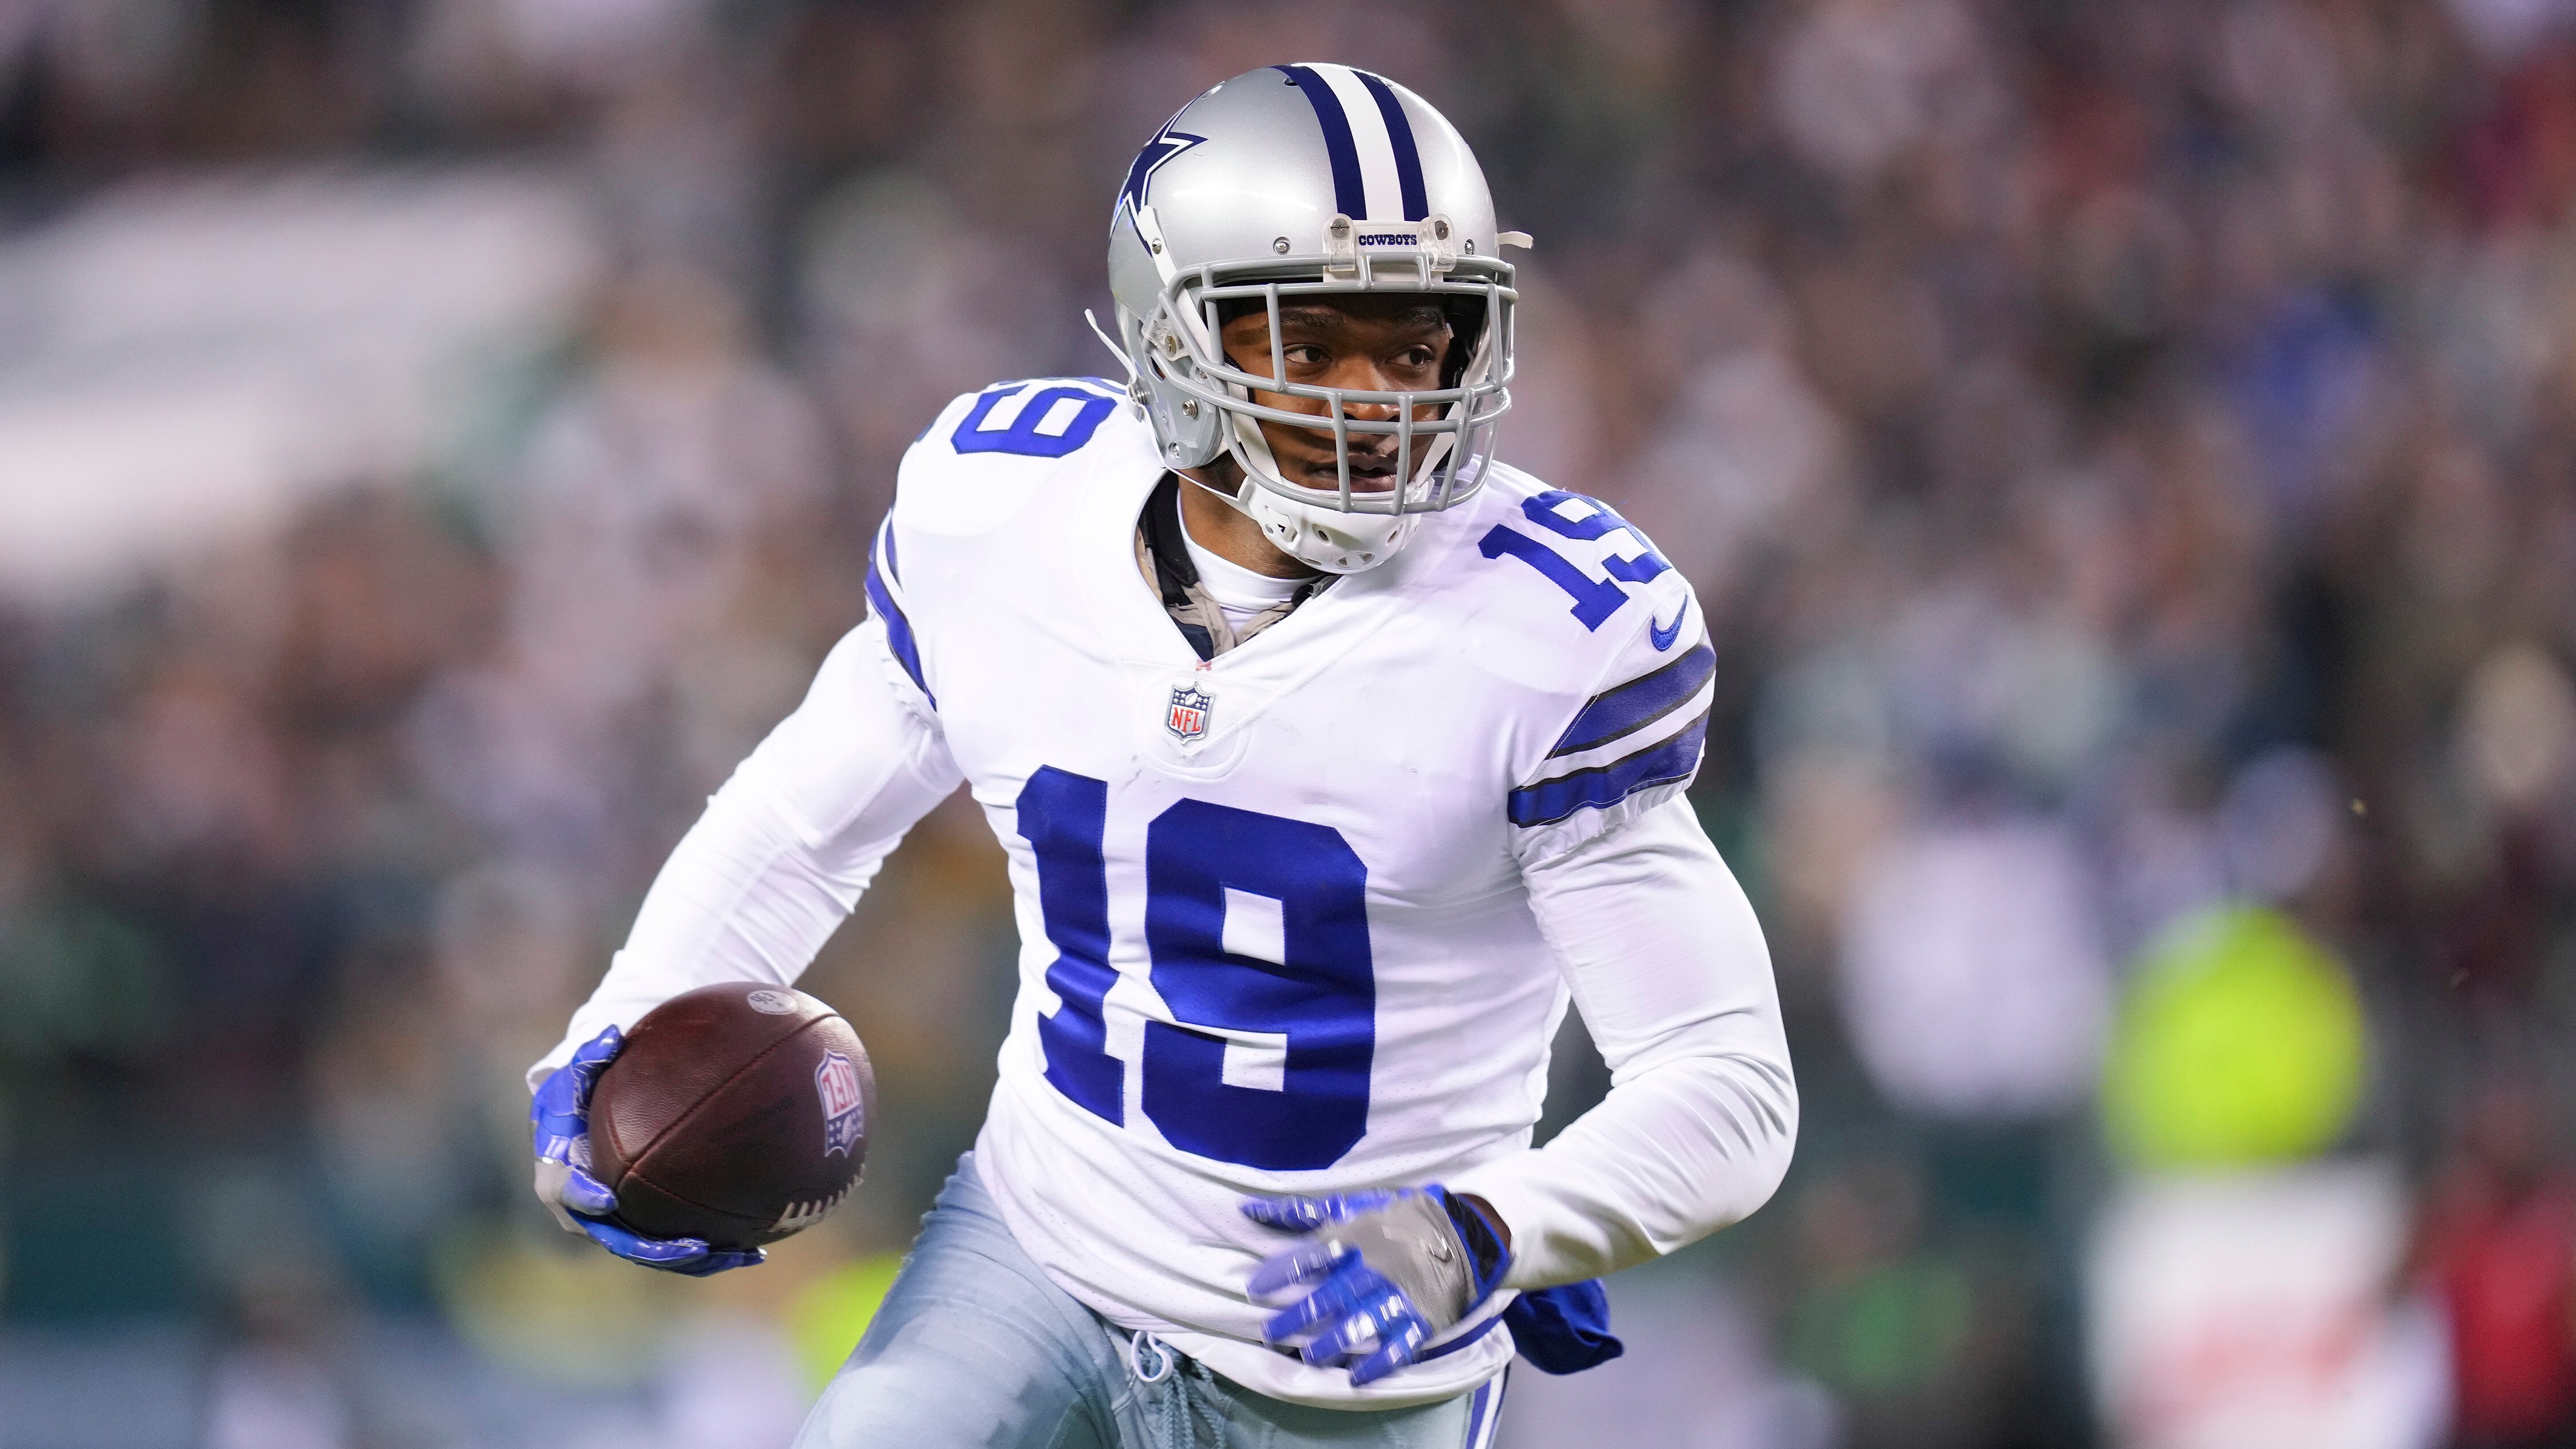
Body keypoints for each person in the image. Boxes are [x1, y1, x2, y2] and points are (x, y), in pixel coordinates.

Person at [526, 64, 1796, 1448]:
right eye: (1312, 345)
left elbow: (1726, 1082)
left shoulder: (1550, 637)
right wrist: (626, 1026)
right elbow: (803, 823)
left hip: (1347, 1361)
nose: (1376, 403)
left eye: (1416, 345)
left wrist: (1495, 1228)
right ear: (1172, 338)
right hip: (1038, 1256)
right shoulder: (1004, 514)